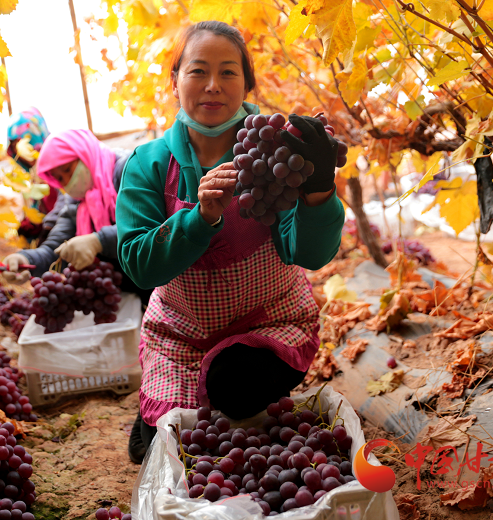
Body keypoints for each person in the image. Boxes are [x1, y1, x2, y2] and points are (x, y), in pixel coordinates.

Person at [115, 21, 346, 463]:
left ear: (247, 83)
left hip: (268, 322)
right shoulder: (148, 163)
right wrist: (199, 218)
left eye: (228, 72)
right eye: (198, 71)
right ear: (175, 79)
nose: (213, 86)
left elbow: (311, 255)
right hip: (181, 334)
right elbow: (139, 264)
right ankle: (158, 402)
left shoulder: (276, 154)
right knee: (160, 452)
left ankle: (227, 389)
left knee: (233, 389)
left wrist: (318, 190)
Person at [0, 129, 151, 303]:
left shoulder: (129, 170)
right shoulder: (75, 201)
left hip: (162, 288)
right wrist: (25, 258)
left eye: (68, 170)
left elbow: (148, 226)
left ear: (84, 152)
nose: (68, 181)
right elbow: (55, 249)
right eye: (60, 179)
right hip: (123, 298)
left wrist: (99, 241)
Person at [6, 107, 62, 244]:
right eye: (14, 145)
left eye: (27, 142)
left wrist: (47, 227)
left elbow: (66, 205)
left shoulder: (59, 165)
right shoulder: (31, 174)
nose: (22, 150)